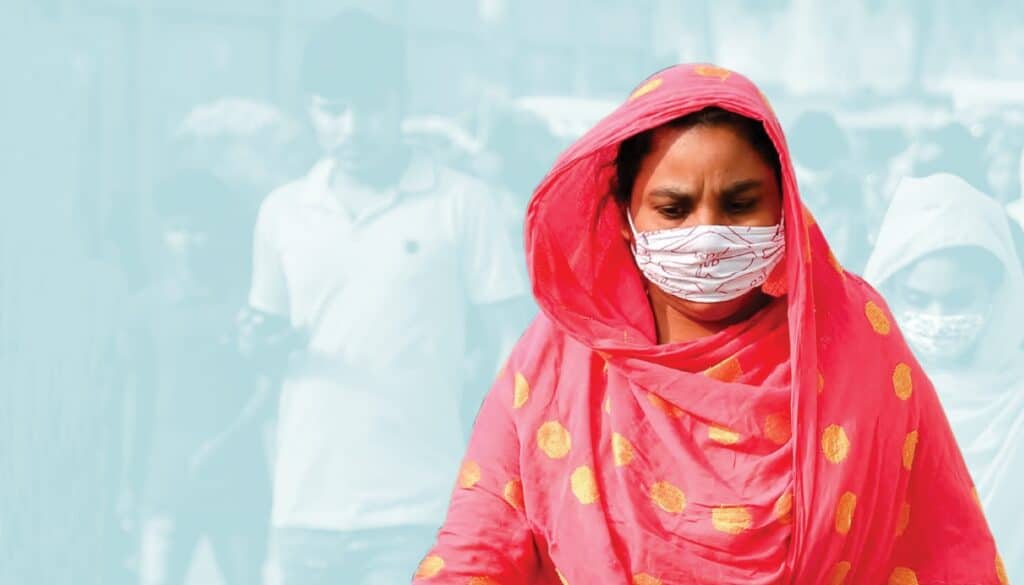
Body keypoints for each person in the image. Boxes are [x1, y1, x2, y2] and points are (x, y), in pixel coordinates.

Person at [413, 64, 1003, 584]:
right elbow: (479, 542)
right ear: (624, 218)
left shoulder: (853, 340)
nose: (710, 233)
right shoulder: (560, 358)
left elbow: (940, 540)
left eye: (741, 203)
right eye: (673, 210)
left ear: (786, 205)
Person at [248, 9, 528, 584]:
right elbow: (264, 350)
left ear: (401, 102)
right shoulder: (282, 212)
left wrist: (488, 473)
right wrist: (260, 346)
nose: (353, 128)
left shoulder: (461, 205)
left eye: (371, 109)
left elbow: (516, 346)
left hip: (421, 508)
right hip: (302, 512)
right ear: (310, 110)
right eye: (333, 110)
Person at [865, 173, 1024, 581]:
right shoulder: (863, 394)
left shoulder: (1014, 404)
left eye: (957, 299)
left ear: (997, 293)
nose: (937, 317)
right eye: (918, 299)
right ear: (890, 289)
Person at [120, 170, 270, 585]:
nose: (188, 242)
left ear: (220, 232)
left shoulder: (250, 305)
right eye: (177, 230)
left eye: (200, 229)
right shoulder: (146, 310)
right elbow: (139, 399)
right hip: (165, 487)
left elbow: (268, 390)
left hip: (239, 486)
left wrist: (226, 443)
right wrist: (128, 485)